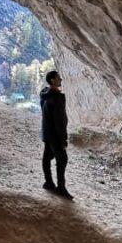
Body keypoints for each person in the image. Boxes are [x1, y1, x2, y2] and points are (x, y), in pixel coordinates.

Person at [40, 70, 72, 199]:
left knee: (47, 157)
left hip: (47, 132)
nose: (61, 79)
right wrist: (63, 139)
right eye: (59, 78)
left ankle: (48, 182)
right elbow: (60, 120)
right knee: (62, 159)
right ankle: (61, 187)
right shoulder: (57, 97)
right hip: (55, 134)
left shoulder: (44, 93)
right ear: (53, 80)